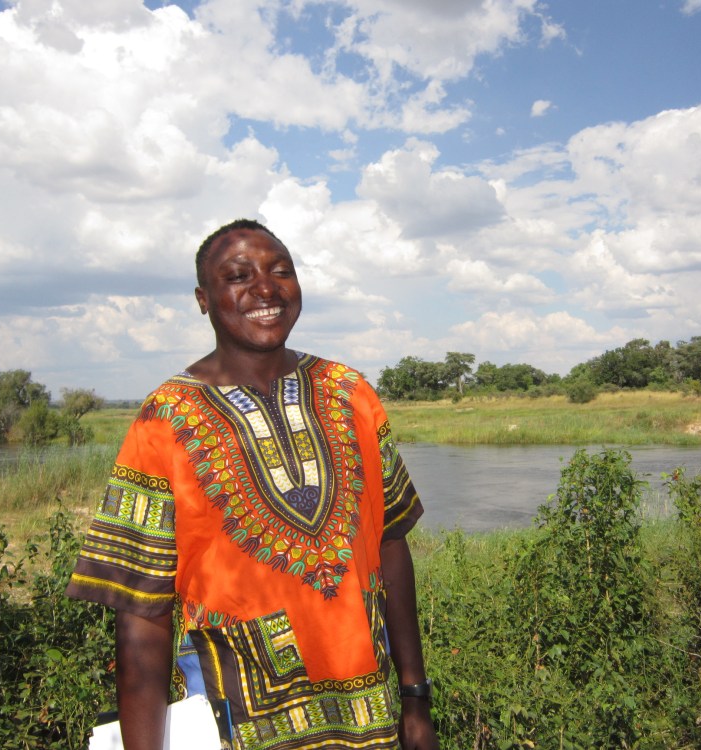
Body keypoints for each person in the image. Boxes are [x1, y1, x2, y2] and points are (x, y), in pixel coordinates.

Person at [66, 219, 440, 750]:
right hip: (236, 721)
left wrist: (415, 696)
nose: (266, 289)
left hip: (370, 718)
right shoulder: (165, 419)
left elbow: (390, 543)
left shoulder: (352, 393)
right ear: (203, 298)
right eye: (239, 276)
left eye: (281, 271)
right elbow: (142, 613)